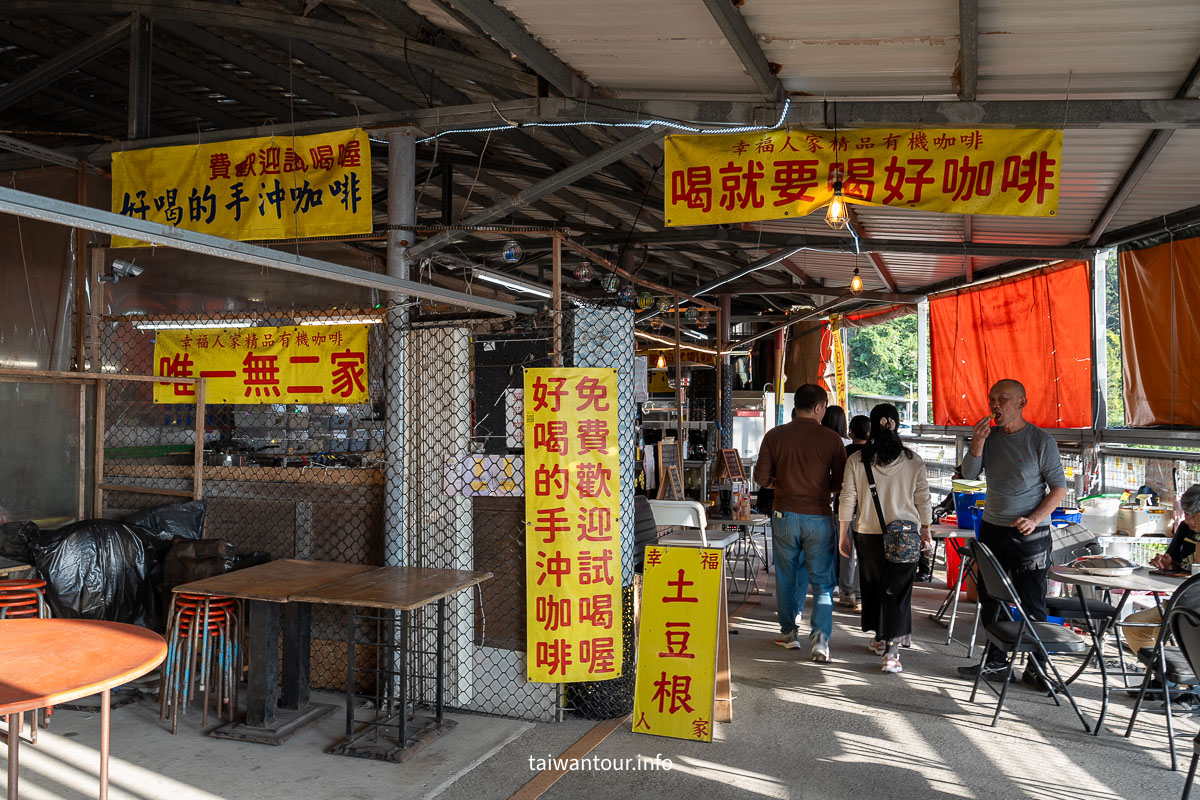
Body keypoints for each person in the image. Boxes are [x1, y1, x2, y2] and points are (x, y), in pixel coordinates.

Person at [956, 379, 1067, 687]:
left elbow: (1059, 487)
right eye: (992, 399)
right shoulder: (989, 438)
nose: (995, 405)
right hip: (992, 529)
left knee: (1032, 601)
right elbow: (968, 475)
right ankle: (995, 662)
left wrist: (1035, 518)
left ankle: (1037, 666)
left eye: (1002, 399)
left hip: (1030, 534)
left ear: (1021, 402)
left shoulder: (1040, 441)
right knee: (991, 598)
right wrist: (976, 443)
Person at [755, 383, 847, 662]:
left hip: (784, 514)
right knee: (822, 581)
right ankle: (820, 640)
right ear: (819, 407)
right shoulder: (832, 440)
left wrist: (780, 483)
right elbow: (841, 482)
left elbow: (760, 477)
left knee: (785, 576)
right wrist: (820, 488)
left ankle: (788, 634)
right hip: (819, 516)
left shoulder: (775, 435)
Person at [837, 404, 933, 674]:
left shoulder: (857, 460)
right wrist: (925, 529)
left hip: (867, 534)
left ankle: (881, 639)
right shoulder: (913, 460)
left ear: (871, 426)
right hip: (905, 536)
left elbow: (847, 498)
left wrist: (843, 532)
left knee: (875, 587)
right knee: (898, 592)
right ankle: (892, 652)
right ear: (897, 425)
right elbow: (923, 499)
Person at [1122, 484, 1200, 653]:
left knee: (1163, 632)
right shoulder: (1185, 528)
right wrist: (1168, 564)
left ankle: (1176, 676)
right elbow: (1175, 561)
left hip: (1195, 607)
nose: (1189, 520)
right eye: (1186, 514)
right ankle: (1160, 674)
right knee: (1133, 625)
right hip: (1178, 602)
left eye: (1194, 516)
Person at [836, 414, 872, 610]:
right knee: (865, 554)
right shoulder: (874, 453)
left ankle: (846, 593)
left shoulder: (845, 452)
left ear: (851, 431)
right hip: (867, 510)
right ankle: (860, 595)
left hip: (843, 508)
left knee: (845, 551)